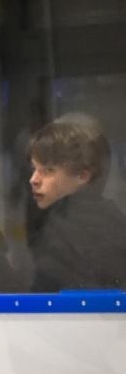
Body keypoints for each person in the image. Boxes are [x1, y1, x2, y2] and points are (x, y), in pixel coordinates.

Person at [25, 118, 126, 291]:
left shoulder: (67, 229)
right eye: (34, 168)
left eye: (48, 170)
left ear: (82, 176)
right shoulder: (109, 216)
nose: (33, 179)